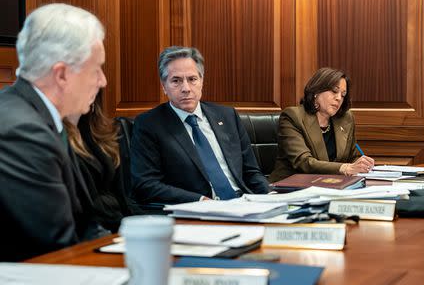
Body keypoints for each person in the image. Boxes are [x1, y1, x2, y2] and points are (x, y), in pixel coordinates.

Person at [0, 3, 108, 261]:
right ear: (61, 74)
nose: (102, 80)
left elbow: (86, 223)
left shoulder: (41, 116)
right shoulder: (22, 132)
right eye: (96, 69)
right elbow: (57, 248)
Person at [130, 46, 270, 205]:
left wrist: (271, 196)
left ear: (202, 81)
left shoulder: (227, 116)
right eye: (176, 80)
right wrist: (200, 200)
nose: (186, 88)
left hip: (244, 205)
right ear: (164, 86)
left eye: (192, 79)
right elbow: (146, 184)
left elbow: (251, 172)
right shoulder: (149, 125)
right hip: (197, 211)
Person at [269, 67, 375, 182]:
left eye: (343, 95)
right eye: (334, 91)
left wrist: (361, 164)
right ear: (316, 92)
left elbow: (352, 156)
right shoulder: (293, 117)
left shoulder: (345, 119)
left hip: (332, 186)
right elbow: (304, 162)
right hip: (292, 187)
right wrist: (345, 168)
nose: (339, 98)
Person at [64, 90, 140, 232]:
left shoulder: (99, 131)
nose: (102, 81)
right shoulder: (56, 137)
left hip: (120, 226)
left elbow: (122, 197)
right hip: (92, 231)